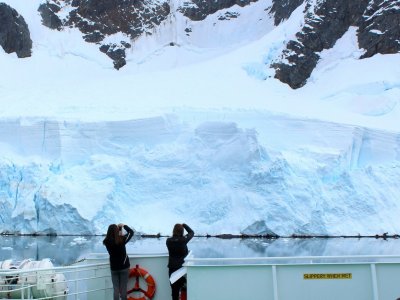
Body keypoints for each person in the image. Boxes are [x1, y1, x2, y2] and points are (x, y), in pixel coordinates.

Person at [103, 223, 134, 300]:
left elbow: (115, 238)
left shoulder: (106, 242)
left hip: (114, 268)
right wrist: (123, 226)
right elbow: (131, 232)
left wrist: (119, 229)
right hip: (124, 267)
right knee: (123, 288)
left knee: (116, 289)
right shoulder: (122, 239)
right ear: (117, 231)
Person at [166, 223, 194, 300]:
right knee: (185, 288)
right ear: (182, 232)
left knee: (174, 292)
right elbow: (191, 232)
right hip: (181, 270)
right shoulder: (183, 240)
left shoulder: (168, 241)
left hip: (172, 269)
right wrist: (184, 225)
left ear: (173, 231)